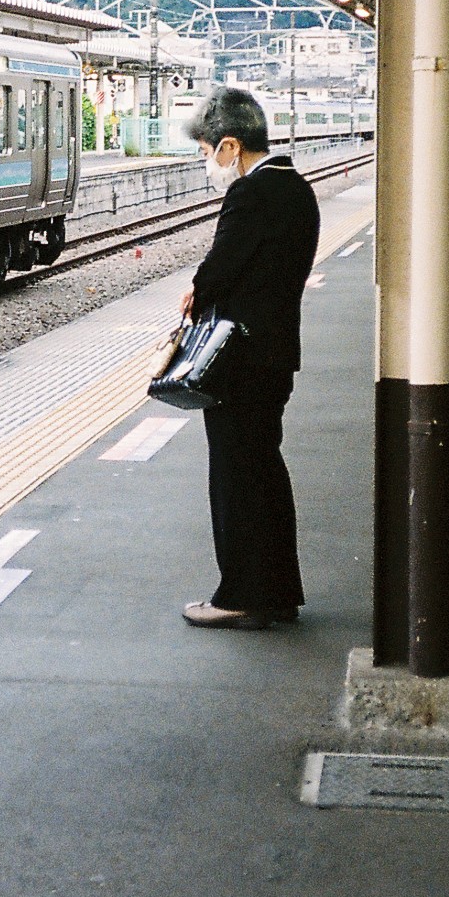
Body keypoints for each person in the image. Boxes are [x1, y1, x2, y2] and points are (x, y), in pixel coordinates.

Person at [175, 87, 321, 630]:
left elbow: (220, 267)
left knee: (235, 478)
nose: (208, 162)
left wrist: (197, 290)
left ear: (231, 145)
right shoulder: (296, 188)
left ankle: (239, 596)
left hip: (238, 361)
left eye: (207, 150)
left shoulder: (252, 193)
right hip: (275, 354)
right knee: (265, 474)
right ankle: (278, 593)